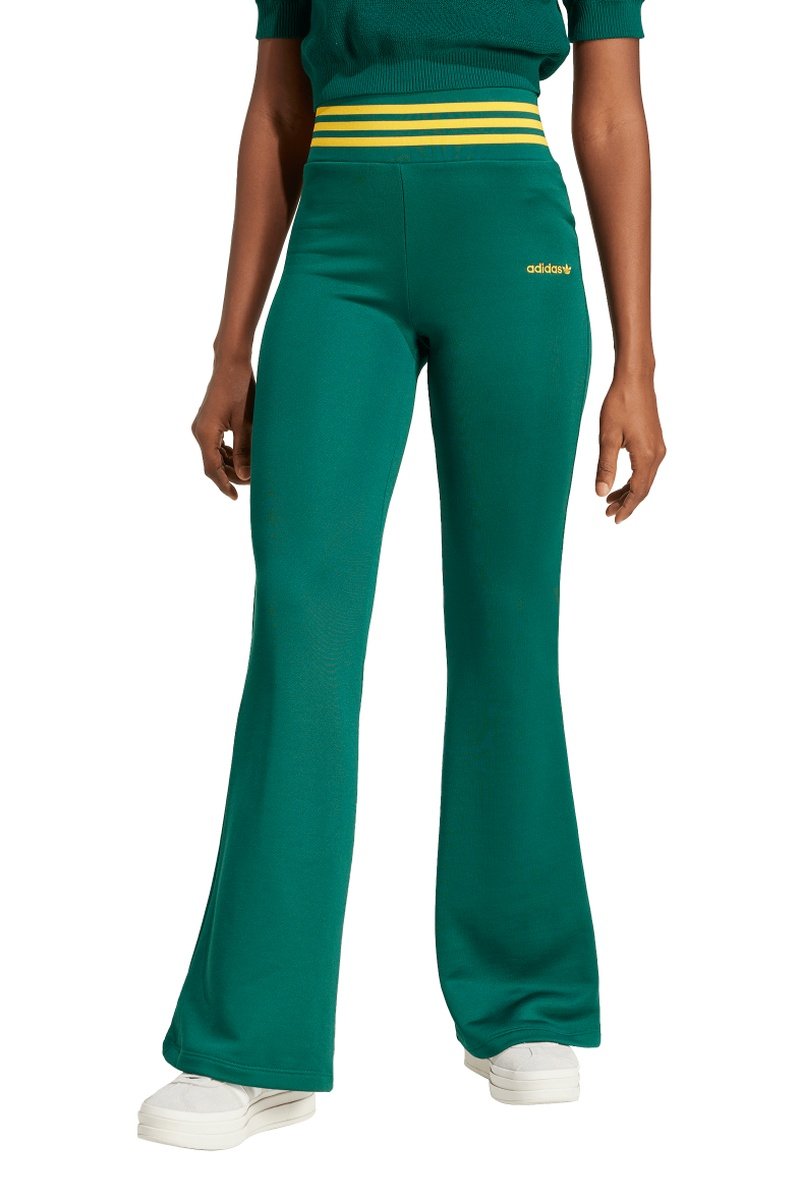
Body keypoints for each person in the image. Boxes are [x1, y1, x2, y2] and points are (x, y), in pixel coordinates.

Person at [138, 0, 665, 1150]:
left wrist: (637, 362)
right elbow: (277, 111)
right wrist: (229, 350)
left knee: (506, 627)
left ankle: (525, 1003)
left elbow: (610, 116)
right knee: (302, 634)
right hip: (335, 262)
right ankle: (251, 1043)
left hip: (514, 250)